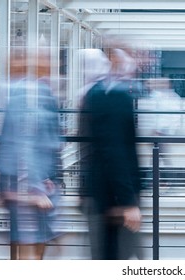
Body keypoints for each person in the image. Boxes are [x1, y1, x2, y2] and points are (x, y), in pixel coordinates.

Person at [0, 48, 63, 260]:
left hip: (32, 181)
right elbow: (21, 143)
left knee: (31, 243)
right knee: (29, 243)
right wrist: (34, 187)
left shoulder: (31, 91)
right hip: (28, 185)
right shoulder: (30, 93)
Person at [79, 48, 143, 260]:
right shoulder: (114, 96)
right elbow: (115, 150)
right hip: (114, 196)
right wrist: (128, 201)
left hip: (102, 192)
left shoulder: (95, 94)